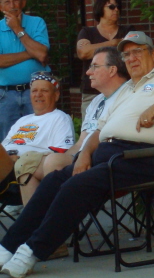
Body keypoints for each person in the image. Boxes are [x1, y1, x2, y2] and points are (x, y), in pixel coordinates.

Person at [0, 31, 154, 278]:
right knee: (53, 181)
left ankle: (31, 251)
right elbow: (98, 131)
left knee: (76, 185)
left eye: (138, 52)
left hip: (142, 156)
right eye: (127, 54)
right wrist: (85, 154)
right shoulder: (127, 90)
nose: (131, 58)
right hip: (107, 154)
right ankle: (6, 247)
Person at [19, 47, 129, 205]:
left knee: (51, 162)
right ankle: (35, 225)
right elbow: (80, 142)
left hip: (105, 162)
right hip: (82, 157)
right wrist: (55, 156)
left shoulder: (127, 96)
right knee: (26, 167)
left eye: (94, 66)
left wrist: (64, 157)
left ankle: (57, 223)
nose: (88, 72)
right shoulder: (96, 101)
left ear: (112, 70)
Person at [1, 72, 74, 188]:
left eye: (44, 91)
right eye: (34, 91)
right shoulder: (22, 120)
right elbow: (4, 146)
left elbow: (61, 154)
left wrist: (19, 158)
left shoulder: (60, 118)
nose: (38, 95)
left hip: (22, 168)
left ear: (56, 95)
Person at [0, 0, 50, 139]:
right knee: (7, 142)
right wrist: (31, 53)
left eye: (16, 0)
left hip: (36, 92)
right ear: (0, 6)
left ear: (23, 2)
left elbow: (41, 54)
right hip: (6, 95)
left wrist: (17, 29)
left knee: (39, 137)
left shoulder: (37, 23)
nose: (12, 5)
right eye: (7, 2)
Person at [76, 0, 133, 119]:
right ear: (100, 8)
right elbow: (83, 53)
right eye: (111, 7)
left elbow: (131, 52)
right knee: (90, 130)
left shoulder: (128, 30)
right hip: (92, 92)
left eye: (118, 7)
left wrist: (93, 47)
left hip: (123, 90)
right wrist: (113, 43)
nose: (116, 10)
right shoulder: (87, 32)